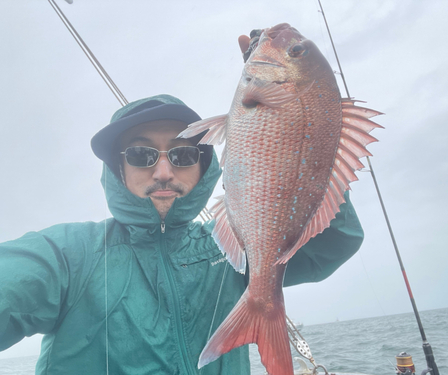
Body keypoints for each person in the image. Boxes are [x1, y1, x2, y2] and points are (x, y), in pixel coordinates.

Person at [0, 34, 365, 374]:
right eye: (141, 154)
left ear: (205, 166)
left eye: (183, 153)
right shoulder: (66, 255)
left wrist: (309, 132)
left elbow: (337, 240)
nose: (162, 171)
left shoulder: (232, 252)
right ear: (118, 168)